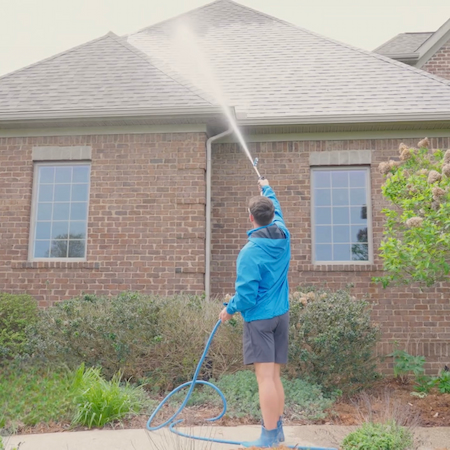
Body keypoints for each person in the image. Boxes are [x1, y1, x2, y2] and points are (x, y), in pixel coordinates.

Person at [219, 178, 291, 448]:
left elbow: (247, 296)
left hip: (260, 320)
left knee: (265, 379)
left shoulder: (249, 252)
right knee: (274, 376)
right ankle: (278, 431)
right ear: (272, 215)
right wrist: (268, 188)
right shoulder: (284, 235)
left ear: (251, 218)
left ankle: (269, 436)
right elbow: (279, 212)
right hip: (281, 315)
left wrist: (229, 309)